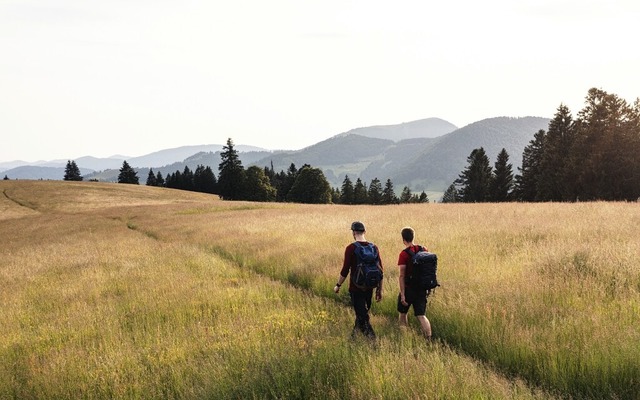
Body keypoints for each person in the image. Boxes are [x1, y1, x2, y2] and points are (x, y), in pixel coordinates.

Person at [334, 221, 384, 339]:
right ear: (364, 231)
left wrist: (338, 285)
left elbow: (345, 270)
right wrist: (379, 290)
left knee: (362, 317)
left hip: (356, 288)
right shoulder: (374, 247)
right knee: (361, 314)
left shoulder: (351, 248)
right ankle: (353, 339)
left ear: (353, 233)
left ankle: (373, 342)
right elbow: (381, 270)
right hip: (370, 287)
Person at [397, 226, 433, 340]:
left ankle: (404, 336)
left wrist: (402, 294)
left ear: (403, 239)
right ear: (413, 237)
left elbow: (402, 275)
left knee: (403, 313)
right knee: (421, 315)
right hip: (422, 288)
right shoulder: (424, 250)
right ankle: (429, 338)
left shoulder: (403, 254)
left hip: (408, 288)